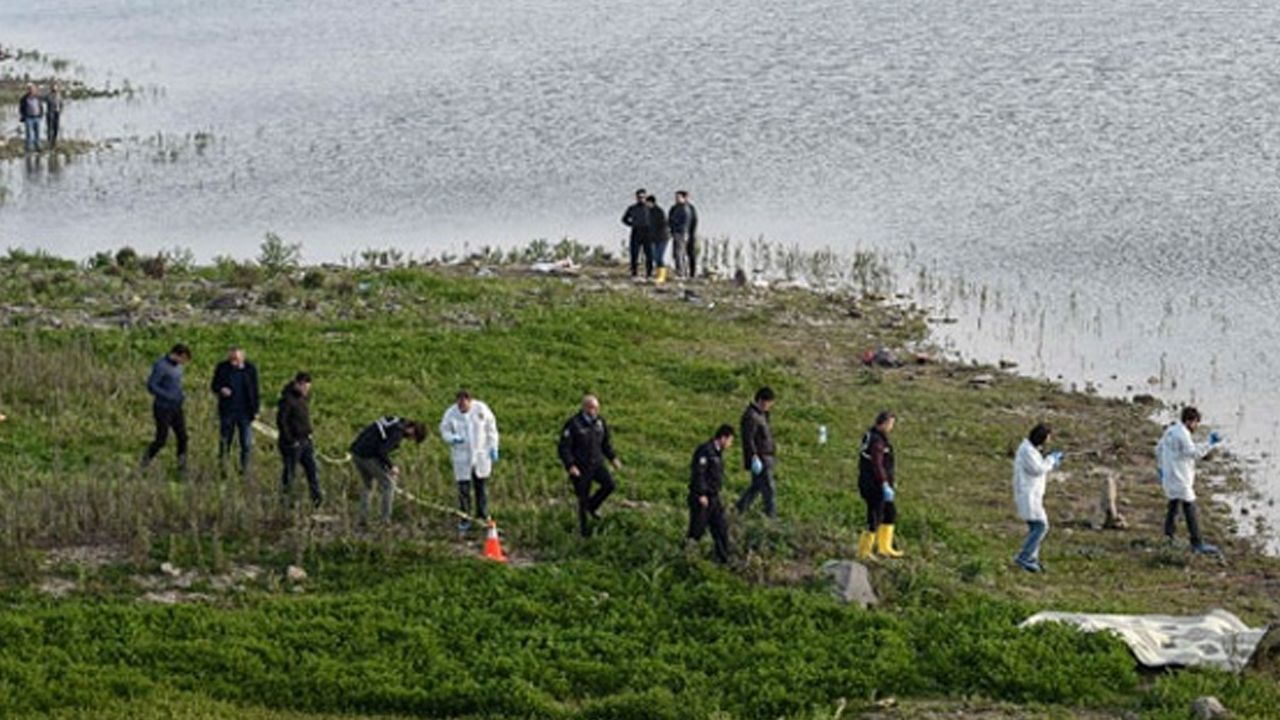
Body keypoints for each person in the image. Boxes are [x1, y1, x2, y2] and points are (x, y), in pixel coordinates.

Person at [1156, 406, 1224, 554]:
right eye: (1196, 423)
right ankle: (1197, 543)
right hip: (1180, 478)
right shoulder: (1183, 435)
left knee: (1173, 506)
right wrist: (1210, 443)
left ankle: (1169, 537)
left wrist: (1161, 468)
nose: (1196, 426)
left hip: (1169, 476)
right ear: (1190, 421)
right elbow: (1194, 453)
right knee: (1190, 508)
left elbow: (1159, 448)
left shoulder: (1171, 431)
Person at [558, 395, 622, 537]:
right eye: (592, 408)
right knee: (582, 497)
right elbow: (564, 448)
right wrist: (570, 465)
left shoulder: (600, 423)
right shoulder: (574, 424)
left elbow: (605, 444)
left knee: (609, 485)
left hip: (597, 463)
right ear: (585, 407)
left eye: (597, 408)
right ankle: (583, 531)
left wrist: (613, 458)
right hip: (580, 467)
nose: (595, 411)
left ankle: (592, 507)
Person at [439, 389, 500, 531]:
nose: (462, 407)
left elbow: (491, 429)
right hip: (462, 456)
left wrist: (493, 447)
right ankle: (464, 518)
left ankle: (482, 515)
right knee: (463, 488)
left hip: (481, 454)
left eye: (464, 404)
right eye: (459, 404)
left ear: (470, 401)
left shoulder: (481, 409)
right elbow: (444, 430)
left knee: (481, 486)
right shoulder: (450, 413)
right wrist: (452, 438)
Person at [350, 416, 427, 524]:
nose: (410, 440)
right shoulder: (398, 433)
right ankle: (384, 520)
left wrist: (385, 466)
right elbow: (382, 451)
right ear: (412, 430)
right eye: (413, 438)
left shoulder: (395, 421)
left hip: (356, 452)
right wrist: (392, 467)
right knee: (389, 484)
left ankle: (363, 519)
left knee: (367, 485)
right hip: (366, 455)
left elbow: (378, 443)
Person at [1011, 423, 1063, 572]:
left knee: (1036, 527)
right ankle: (1023, 558)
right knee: (1041, 526)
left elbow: (1038, 464)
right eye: (1048, 437)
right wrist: (1052, 460)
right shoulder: (1026, 451)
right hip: (1028, 495)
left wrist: (1048, 457)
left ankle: (1032, 559)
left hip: (1032, 495)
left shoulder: (1030, 450)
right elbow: (1037, 469)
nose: (1049, 440)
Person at [857, 410, 903, 559]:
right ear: (883, 423)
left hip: (880, 483)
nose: (891, 427)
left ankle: (885, 547)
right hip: (874, 484)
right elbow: (877, 464)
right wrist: (884, 483)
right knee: (874, 516)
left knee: (890, 513)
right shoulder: (876, 441)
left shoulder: (875, 436)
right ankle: (864, 551)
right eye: (890, 424)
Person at [141, 344, 192, 473]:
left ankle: (182, 465)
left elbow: (176, 383)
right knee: (161, 439)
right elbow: (151, 385)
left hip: (177, 407)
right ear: (176, 354)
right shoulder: (161, 365)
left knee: (183, 437)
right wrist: (168, 396)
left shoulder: (179, 367)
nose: (184, 363)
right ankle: (146, 460)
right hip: (162, 408)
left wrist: (180, 394)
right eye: (183, 359)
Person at [688, 424, 735, 564]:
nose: (730, 444)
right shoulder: (705, 451)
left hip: (714, 498)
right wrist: (701, 493)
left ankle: (724, 560)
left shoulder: (717, 453)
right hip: (702, 498)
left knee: (721, 529)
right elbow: (699, 473)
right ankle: (688, 556)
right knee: (697, 530)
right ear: (723, 438)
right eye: (730, 440)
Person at [210, 346, 260, 474]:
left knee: (246, 444)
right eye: (231, 358)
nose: (233, 362)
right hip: (228, 411)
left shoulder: (250, 369)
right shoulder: (222, 368)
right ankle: (223, 469)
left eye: (236, 359)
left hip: (245, 413)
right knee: (225, 442)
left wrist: (256, 410)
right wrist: (221, 389)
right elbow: (214, 385)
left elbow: (255, 390)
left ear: (242, 357)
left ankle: (244, 470)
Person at [277, 372, 322, 507]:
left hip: (306, 440)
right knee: (290, 473)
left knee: (312, 470)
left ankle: (316, 499)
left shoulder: (303, 398)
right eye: (304, 387)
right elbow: (281, 422)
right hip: (292, 443)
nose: (306, 391)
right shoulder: (287, 400)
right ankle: (286, 500)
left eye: (308, 388)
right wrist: (291, 440)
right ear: (297, 384)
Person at [735, 387, 778, 518]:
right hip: (760, 458)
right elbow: (748, 439)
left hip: (765, 457)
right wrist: (754, 457)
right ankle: (771, 518)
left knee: (756, 487)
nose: (770, 406)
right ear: (761, 400)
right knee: (769, 489)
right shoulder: (751, 416)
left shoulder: (761, 415)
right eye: (768, 403)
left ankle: (738, 509)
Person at [621, 189, 654, 278]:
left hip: (648, 232)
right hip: (636, 231)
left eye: (643, 197)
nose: (641, 199)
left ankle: (649, 273)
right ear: (636, 198)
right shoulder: (632, 208)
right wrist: (632, 224)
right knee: (634, 253)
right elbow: (624, 219)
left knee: (649, 254)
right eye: (639, 197)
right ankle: (634, 273)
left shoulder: (650, 208)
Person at [668, 191, 699, 278]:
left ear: (684, 198)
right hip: (676, 233)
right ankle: (682, 271)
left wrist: (688, 233)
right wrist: (671, 230)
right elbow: (670, 220)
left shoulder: (687, 209)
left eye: (678, 197)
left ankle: (683, 273)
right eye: (676, 197)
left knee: (680, 253)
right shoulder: (674, 208)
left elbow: (689, 222)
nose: (676, 199)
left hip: (683, 233)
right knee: (676, 253)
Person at [647, 195, 670, 283]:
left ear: (651, 202)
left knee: (659, 256)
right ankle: (657, 274)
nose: (646, 204)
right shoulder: (649, 211)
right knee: (654, 256)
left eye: (647, 203)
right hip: (654, 238)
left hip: (662, 237)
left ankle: (662, 276)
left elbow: (663, 225)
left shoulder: (659, 211)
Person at [18, 84, 42, 152]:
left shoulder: (38, 98)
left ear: (35, 90)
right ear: (28, 90)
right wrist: (23, 116)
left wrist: (41, 115)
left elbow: (40, 107)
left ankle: (37, 146)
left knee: (37, 132)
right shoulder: (24, 98)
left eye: (34, 89)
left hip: (37, 117)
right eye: (31, 89)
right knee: (29, 133)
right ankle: (28, 147)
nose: (32, 90)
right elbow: (21, 108)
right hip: (28, 118)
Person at [43, 82, 63, 150]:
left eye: (56, 87)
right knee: (50, 128)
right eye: (53, 87)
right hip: (50, 113)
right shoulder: (48, 95)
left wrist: (60, 111)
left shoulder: (59, 95)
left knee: (56, 128)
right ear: (51, 88)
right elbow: (43, 99)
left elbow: (61, 104)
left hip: (57, 113)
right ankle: (49, 141)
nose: (55, 88)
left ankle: (54, 142)